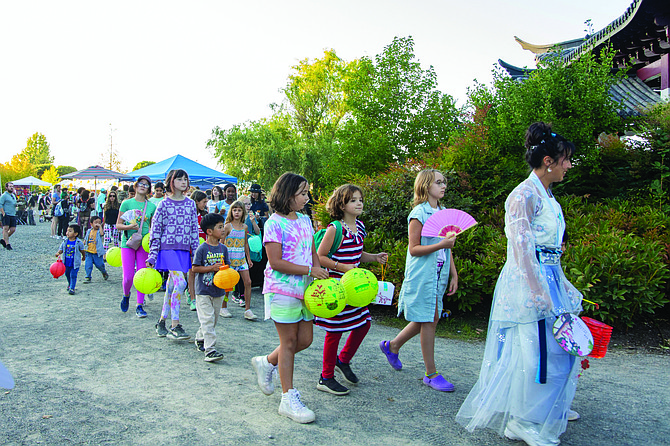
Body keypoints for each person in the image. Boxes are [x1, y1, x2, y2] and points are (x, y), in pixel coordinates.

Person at [456, 123, 583, 446]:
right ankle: (522, 420)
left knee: (557, 347)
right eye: (566, 159)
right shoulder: (523, 195)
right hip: (530, 279)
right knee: (534, 350)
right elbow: (521, 248)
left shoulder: (548, 196)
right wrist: (536, 288)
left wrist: (563, 284)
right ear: (549, 161)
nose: (569, 165)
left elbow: (551, 249)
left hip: (549, 276)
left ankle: (545, 406)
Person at [251, 172, 329, 424]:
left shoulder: (306, 220)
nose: (307, 198)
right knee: (288, 342)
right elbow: (275, 262)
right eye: (303, 193)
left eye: (307, 193)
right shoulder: (273, 223)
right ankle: (288, 398)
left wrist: (318, 273)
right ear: (287, 194)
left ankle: (267, 362)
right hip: (281, 289)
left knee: (305, 340)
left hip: (306, 290)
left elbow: (312, 251)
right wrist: (309, 270)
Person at [379, 169, 459, 392]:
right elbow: (414, 249)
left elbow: (448, 250)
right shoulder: (418, 213)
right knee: (430, 319)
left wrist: (454, 273)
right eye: (438, 182)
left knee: (428, 318)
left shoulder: (442, 212)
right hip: (423, 275)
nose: (443, 186)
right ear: (425, 186)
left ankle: (392, 346)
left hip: (439, 274)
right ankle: (431, 374)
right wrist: (442, 244)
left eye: (444, 182)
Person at [314, 184, 388, 395]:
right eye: (353, 200)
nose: (359, 203)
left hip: (355, 288)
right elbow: (320, 257)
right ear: (342, 204)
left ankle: (343, 360)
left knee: (364, 324)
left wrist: (374, 258)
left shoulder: (361, 227)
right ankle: (326, 377)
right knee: (334, 331)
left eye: (360, 199)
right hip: (337, 288)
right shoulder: (334, 229)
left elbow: (358, 253)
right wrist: (343, 267)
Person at [147, 169, 199, 341]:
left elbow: (193, 230)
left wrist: (196, 253)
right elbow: (155, 230)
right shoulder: (163, 204)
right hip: (166, 249)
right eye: (179, 179)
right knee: (181, 282)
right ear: (172, 181)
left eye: (186, 179)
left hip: (183, 251)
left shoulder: (191, 204)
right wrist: (153, 255)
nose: (183, 182)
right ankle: (175, 325)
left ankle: (161, 322)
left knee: (171, 286)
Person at [116, 176, 157, 318]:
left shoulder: (152, 206)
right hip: (128, 242)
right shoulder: (126, 204)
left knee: (142, 274)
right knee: (128, 277)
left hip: (144, 244)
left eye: (146, 185)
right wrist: (129, 226)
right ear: (135, 186)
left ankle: (139, 305)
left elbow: (153, 227)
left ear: (148, 189)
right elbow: (118, 225)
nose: (143, 186)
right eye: (140, 183)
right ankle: (126, 295)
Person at [192, 213, 230, 362]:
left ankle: (200, 338)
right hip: (203, 290)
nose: (223, 230)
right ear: (209, 231)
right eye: (220, 227)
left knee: (212, 320)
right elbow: (195, 268)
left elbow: (227, 266)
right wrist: (211, 268)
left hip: (218, 290)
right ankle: (210, 350)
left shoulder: (223, 249)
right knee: (207, 319)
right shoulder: (202, 248)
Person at [221, 200, 257, 321]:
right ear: (231, 212)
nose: (237, 212)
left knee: (248, 282)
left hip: (241, 260)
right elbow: (222, 243)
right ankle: (223, 306)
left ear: (243, 212)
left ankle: (247, 309)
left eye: (239, 210)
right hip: (229, 260)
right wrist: (222, 259)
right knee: (227, 285)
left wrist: (248, 258)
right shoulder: (227, 226)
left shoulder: (245, 227)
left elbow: (245, 243)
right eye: (234, 210)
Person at [187, 190, 209, 312]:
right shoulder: (188, 214)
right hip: (190, 247)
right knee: (192, 272)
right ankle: (192, 298)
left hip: (202, 248)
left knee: (201, 273)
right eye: (204, 202)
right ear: (196, 201)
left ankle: (195, 294)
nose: (205, 204)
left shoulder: (204, 215)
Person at [56, 224, 86, 295]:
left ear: (75, 234)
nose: (67, 233)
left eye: (70, 231)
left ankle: (72, 288)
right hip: (66, 262)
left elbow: (82, 250)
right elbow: (61, 249)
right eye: (67, 231)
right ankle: (70, 284)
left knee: (73, 274)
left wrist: (83, 257)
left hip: (74, 263)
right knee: (67, 274)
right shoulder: (65, 241)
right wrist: (58, 253)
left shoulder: (78, 242)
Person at [83, 216, 109, 283]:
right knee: (88, 265)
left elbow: (102, 234)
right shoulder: (89, 231)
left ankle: (104, 272)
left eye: (99, 223)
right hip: (89, 252)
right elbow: (86, 239)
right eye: (96, 222)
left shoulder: (98, 231)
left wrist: (100, 227)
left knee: (100, 265)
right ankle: (88, 276)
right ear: (91, 224)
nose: (97, 224)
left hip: (97, 252)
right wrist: (84, 244)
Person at [0, 182, 18, 250]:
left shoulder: (13, 195)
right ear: (6, 187)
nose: (11, 187)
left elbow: (14, 203)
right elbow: (0, 204)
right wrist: (3, 213)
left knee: (13, 229)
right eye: (10, 186)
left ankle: (3, 239)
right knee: (5, 228)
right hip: (6, 214)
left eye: (12, 186)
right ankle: (7, 244)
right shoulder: (4, 195)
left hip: (12, 214)